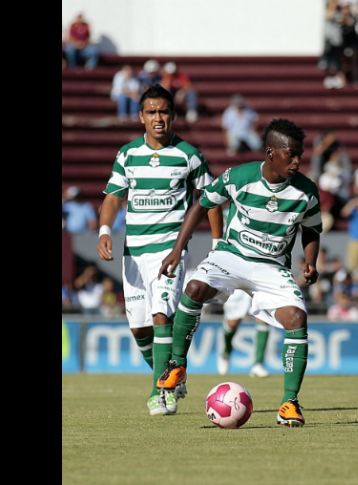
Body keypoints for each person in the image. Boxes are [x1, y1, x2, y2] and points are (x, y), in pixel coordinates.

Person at [155, 118, 321, 428]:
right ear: (271, 153)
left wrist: (311, 261)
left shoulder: (306, 192)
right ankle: (177, 365)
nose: (298, 161)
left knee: (297, 318)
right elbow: (201, 205)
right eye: (291, 154)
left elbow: (312, 230)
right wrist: (178, 249)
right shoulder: (238, 177)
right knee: (194, 288)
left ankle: (289, 402)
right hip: (231, 257)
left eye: (300, 154)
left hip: (272, 268)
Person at [96, 85, 224, 416]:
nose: (158, 118)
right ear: (141, 117)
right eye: (151, 112)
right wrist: (105, 230)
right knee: (140, 330)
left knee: (160, 316)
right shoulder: (128, 155)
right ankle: (173, 377)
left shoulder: (189, 155)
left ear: (173, 115)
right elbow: (113, 197)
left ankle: (160, 393)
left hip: (171, 250)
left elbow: (209, 199)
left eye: (163, 111)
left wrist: (217, 243)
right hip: (134, 254)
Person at [217, 289, 270, 377]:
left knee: (264, 319)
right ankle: (226, 352)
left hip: (258, 285)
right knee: (232, 324)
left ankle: (258, 364)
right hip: (239, 286)